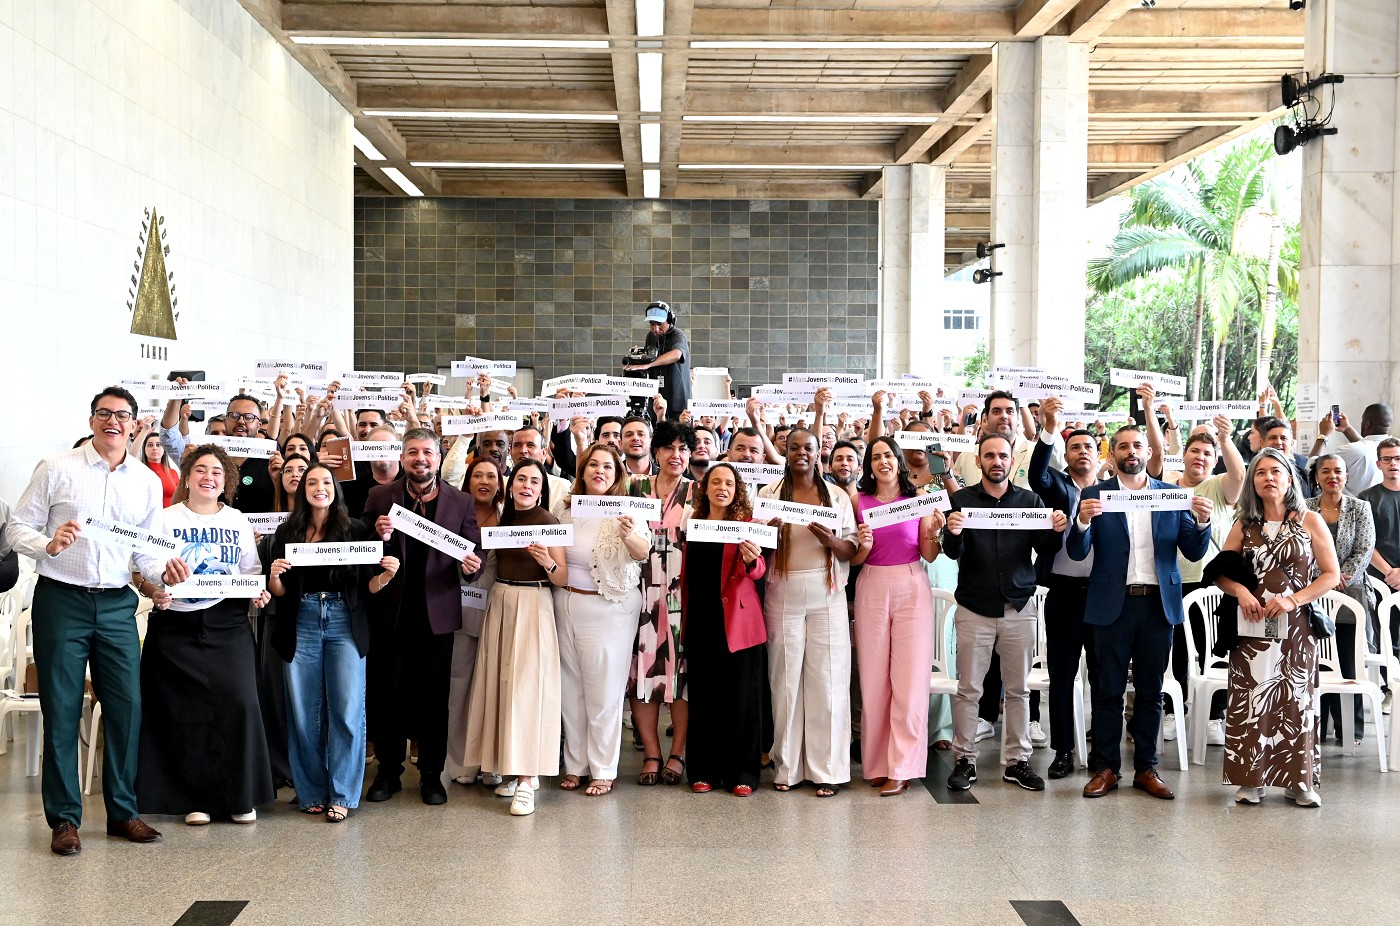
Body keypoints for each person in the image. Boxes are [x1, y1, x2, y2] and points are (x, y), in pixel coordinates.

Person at [7, 386, 189, 855]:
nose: (113, 421)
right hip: (61, 600)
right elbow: (15, 527)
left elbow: (146, 549)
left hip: (114, 604)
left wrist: (161, 571)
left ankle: (123, 813)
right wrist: (46, 544)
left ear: (134, 425)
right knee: (63, 711)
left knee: (127, 709)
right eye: (104, 413)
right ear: (92, 420)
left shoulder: (146, 480)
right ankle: (65, 820)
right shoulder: (57, 468)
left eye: (122, 415)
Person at [1069, 424, 1213, 801]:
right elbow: (1076, 550)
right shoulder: (1095, 494)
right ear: (1111, 454)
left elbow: (1194, 552)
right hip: (1111, 605)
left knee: (1151, 692)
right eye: (1123, 447)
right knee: (1107, 691)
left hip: (1157, 605)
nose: (1131, 452)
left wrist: (1201, 521)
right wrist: (1082, 521)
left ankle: (1146, 768)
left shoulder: (1171, 496)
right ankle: (1106, 769)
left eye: (1138, 446)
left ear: (1149, 453)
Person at [136, 445, 275, 826]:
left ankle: (239, 797)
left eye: (216, 471)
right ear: (187, 477)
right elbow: (146, 564)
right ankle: (195, 800)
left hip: (227, 624)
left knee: (241, 704)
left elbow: (249, 569)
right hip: (175, 627)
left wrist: (256, 590)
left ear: (226, 480)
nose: (208, 477)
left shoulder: (237, 521)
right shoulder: (164, 519)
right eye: (200, 470)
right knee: (186, 713)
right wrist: (160, 581)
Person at [267, 464, 400, 823]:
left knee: (346, 710)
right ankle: (310, 791)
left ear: (335, 489)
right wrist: (275, 576)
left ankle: (342, 793)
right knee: (303, 712)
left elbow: (369, 587)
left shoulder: (354, 529)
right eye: (312, 482)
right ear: (302, 490)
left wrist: (386, 576)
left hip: (343, 621)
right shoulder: (287, 531)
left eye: (326, 482)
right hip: (301, 621)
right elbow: (278, 593)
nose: (319, 487)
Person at [362, 429, 483, 806]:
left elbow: (472, 559)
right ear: (402, 457)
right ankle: (388, 772)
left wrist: (470, 568)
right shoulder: (380, 496)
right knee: (388, 695)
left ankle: (431, 774)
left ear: (438, 456)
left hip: (437, 616)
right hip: (391, 614)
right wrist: (376, 535)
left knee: (434, 699)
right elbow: (362, 551)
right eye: (413, 452)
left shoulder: (460, 501)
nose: (420, 459)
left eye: (427, 452)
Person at [1213, 448, 1340, 806]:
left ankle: (1299, 783)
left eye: (1275, 471)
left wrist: (1294, 599)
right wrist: (1240, 591)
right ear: (1253, 482)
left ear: (1289, 478)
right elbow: (1221, 572)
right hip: (1251, 627)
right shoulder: (1244, 524)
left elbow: (1331, 575)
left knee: (1296, 701)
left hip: (1296, 626)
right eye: (1260, 472)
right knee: (1250, 700)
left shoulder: (1310, 521)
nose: (1268, 477)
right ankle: (1250, 780)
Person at [943, 434, 1067, 794]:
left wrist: (1056, 530)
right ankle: (964, 759)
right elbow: (954, 552)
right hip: (973, 607)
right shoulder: (961, 501)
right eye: (989, 456)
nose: (996, 461)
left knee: (1018, 690)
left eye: (1002, 456)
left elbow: (1043, 548)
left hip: (1018, 606)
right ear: (979, 461)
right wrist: (952, 534)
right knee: (968, 690)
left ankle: (1017, 762)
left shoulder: (1030, 501)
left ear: (1012, 462)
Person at [756, 428, 858, 796]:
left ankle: (827, 770)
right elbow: (754, 549)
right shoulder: (768, 495)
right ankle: (787, 768)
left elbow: (850, 549)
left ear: (819, 453)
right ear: (784, 451)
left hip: (825, 591)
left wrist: (829, 539)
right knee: (785, 681)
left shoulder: (836, 496)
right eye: (794, 446)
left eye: (809, 448)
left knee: (827, 681)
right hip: (782, 591)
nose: (801, 452)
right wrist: (768, 532)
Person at [464, 459, 569, 817]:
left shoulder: (549, 522)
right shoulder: (503, 519)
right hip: (501, 600)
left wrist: (547, 562)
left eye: (534, 481)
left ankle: (527, 780)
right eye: (521, 479)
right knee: (500, 686)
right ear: (511, 486)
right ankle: (511, 766)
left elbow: (561, 577)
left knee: (528, 689)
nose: (526, 485)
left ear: (542, 489)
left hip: (533, 601)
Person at [550, 444, 650, 796]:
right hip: (567, 603)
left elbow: (642, 552)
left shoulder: (628, 510)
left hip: (610, 609)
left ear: (617, 473)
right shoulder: (565, 509)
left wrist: (627, 534)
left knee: (604, 691)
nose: (599, 471)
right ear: (582, 471)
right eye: (592, 465)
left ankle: (603, 768)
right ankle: (576, 764)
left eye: (607, 466)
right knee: (571, 690)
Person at [850, 436, 943, 796]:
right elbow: (854, 559)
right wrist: (864, 547)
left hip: (910, 582)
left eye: (888, 455)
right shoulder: (859, 501)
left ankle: (903, 766)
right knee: (873, 679)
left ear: (899, 460)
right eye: (876, 457)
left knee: (908, 679)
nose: (882, 461)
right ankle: (876, 762)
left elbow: (929, 554)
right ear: (868, 465)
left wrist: (934, 532)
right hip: (871, 582)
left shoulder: (917, 500)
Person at [682, 463, 768, 795]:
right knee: (704, 699)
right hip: (702, 621)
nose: (721, 487)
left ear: (737, 491)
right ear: (704, 489)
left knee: (743, 699)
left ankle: (742, 773)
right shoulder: (695, 525)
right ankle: (703, 769)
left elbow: (758, 569)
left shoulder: (748, 526)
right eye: (715, 481)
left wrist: (751, 558)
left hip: (739, 623)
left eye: (729, 483)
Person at [1027, 399, 1101, 779]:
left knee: (1105, 678)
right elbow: (1036, 473)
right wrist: (1050, 428)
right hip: (1063, 593)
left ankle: (1103, 751)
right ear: (1066, 455)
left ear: (1098, 453)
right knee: (1061, 674)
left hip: (1103, 594)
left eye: (1088, 446)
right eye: (1075, 447)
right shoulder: (1055, 484)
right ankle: (1062, 751)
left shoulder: (1112, 490)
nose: (1082, 451)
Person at [1161, 419, 1245, 747]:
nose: (1200, 457)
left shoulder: (1220, 485)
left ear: (1214, 460)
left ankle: (1213, 716)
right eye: (1194, 450)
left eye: (1207, 453)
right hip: (1173, 580)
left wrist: (1225, 439)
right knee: (1177, 650)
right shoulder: (1167, 488)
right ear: (1183, 454)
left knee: (1216, 651)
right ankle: (1172, 711)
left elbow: (1239, 475)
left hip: (1212, 584)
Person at [627, 419, 696, 787]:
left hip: (681, 598)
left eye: (683, 449)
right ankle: (652, 752)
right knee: (643, 677)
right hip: (639, 596)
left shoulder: (698, 494)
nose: (676, 454)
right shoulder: (634, 488)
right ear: (656, 452)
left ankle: (678, 753)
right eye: (669, 447)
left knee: (680, 680)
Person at [1307, 453, 1376, 743]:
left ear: (1346, 476)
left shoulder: (1360, 508)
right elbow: (1302, 548)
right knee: (1319, 663)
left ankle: (1351, 731)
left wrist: (1337, 577)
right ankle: (1318, 730)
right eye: (1326, 471)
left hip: (1351, 593)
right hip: (1314, 592)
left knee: (1349, 662)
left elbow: (1364, 549)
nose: (1332, 476)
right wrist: (1322, 579)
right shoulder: (1305, 509)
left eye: (1338, 471)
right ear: (1317, 477)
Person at [446, 456, 505, 788]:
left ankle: (492, 761)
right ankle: (460, 761)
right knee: (460, 688)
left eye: (491, 476)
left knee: (494, 688)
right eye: (477, 475)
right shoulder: (454, 517)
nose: (484, 481)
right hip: (459, 611)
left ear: (500, 483)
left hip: (499, 612)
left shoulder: (510, 518)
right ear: (467, 481)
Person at [1360, 438, 1400, 713]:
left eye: (1397, 458)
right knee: (1388, 635)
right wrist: (1389, 572)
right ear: (1378, 464)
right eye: (1387, 459)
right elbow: (1365, 542)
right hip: (1381, 579)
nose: (1393, 463)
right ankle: (1391, 689)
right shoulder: (1368, 498)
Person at [624, 301, 692, 419]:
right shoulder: (650, 336)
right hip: (655, 401)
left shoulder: (678, 336)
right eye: (652, 324)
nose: (655, 329)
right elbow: (647, 359)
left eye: (660, 324)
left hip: (677, 403)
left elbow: (677, 354)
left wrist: (649, 365)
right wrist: (636, 361)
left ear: (670, 320)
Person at [1317, 403, 1393, 493]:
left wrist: (1323, 434)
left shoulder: (1349, 451)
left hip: (1352, 506)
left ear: (1367, 423)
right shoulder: (1394, 447)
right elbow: (1367, 448)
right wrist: (1347, 429)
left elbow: (1311, 468)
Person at [224, 393, 276, 512]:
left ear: (259, 425)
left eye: (249, 417)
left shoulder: (271, 463)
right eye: (234, 415)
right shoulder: (210, 460)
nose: (241, 421)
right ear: (225, 421)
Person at [136, 428, 180, 507]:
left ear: (164, 450)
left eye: (158, 445)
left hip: (169, 516)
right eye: (150, 445)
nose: (154, 448)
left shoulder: (173, 473)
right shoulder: (139, 471)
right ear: (144, 450)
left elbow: (180, 500)